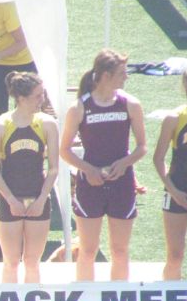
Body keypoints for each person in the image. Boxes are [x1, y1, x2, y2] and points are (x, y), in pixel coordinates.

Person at [60, 49, 147, 282]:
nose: (126, 77)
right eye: (121, 73)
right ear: (106, 75)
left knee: (120, 250)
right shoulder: (80, 107)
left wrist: (124, 163)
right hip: (90, 184)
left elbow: (142, 147)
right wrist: (88, 169)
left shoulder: (130, 104)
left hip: (122, 183)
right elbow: (64, 150)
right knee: (88, 250)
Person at [0, 72, 59, 283]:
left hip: (38, 197)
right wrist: (10, 200)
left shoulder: (47, 124)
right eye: (37, 96)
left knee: (32, 262)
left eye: (42, 95)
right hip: (10, 198)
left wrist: (41, 199)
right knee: (11, 262)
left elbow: (53, 168)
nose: (42, 100)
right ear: (21, 98)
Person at [153, 64, 187, 280]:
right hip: (177, 189)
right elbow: (158, 159)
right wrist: (173, 191)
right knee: (175, 255)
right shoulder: (174, 118)